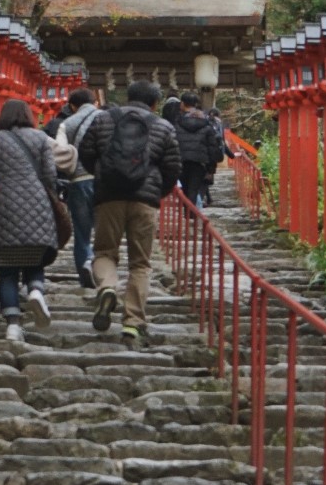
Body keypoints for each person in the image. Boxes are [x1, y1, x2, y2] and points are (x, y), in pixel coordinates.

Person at [78, 78, 180, 346]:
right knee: (140, 263)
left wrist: (101, 176)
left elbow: (86, 153)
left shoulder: (103, 120)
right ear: (155, 103)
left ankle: (108, 287)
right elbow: (172, 167)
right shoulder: (163, 126)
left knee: (104, 252)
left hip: (108, 196)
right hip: (145, 200)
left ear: (127, 97)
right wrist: (157, 191)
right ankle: (133, 323)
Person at [0, 98, 60, 346]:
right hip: (37, 201)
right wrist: (50, 199)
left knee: (7, 270)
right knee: (34, 255)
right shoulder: (40, 138)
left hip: (3, 204)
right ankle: (35, 291)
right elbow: (51, 175)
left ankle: (12, 326)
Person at [52, 85, 100, 288]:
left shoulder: (68, 123)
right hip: (103, 181)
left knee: (82, 231)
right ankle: (102, 269)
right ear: (95, 102)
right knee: (105, 230)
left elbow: (58, 153)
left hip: (78, 181)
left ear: (72, 105)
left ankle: (85, 268)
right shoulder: (106, 119)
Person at [174, 89, 224, 207]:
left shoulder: (177, 125)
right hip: (199, 162)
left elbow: (173, 143)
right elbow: (212, 147)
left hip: (181, 161)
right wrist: (212, 167)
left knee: (185, 189)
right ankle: (192, 216)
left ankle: (188, 216)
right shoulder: (207, 126)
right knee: (194, 189)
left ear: (182, 103)